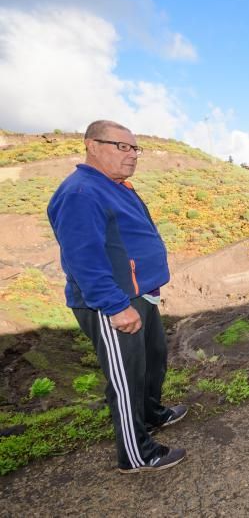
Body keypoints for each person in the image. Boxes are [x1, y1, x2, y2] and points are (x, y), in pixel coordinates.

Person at [48, 120, 187, 473]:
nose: (131, 155)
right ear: (91, 145)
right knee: (126, 378)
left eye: (134, 148)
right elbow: (83, 257)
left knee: (151, 362)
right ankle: (136, 454)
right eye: (120, 146)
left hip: (139, 295)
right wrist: (115, 305)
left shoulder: (114, 186)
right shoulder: (81, 193)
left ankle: (152, 413)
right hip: (113, 303)